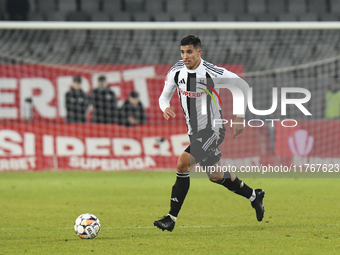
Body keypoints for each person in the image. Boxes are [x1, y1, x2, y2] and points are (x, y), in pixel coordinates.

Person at [154, 35, 265, 232]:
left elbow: (242, 86)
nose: (185, 56)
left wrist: (240, 116)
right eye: (182, 52)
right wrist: (165, 107)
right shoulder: (176, 71)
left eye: (189, 52)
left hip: (213, 130)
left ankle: (171, 218)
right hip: (193, 132)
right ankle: (254, 196)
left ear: (199, 52)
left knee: (182, 163)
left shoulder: (212, 72)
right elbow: (163, 97)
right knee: (216, 175)